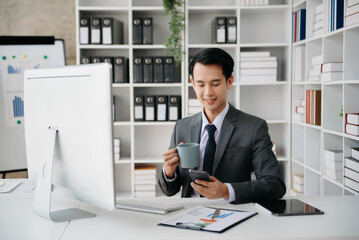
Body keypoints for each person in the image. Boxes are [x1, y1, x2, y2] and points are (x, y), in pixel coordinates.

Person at [158, 48, 286, 204]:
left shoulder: (253, 128)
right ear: (192, 84)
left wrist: (226, 191)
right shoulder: (182, 127)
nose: (208, 93)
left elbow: (275, 185)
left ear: (229, 81)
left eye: (215, 83)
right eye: (201, 84)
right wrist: (169, 172)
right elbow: (169, 191)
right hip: (189, 214)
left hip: (232, 213)